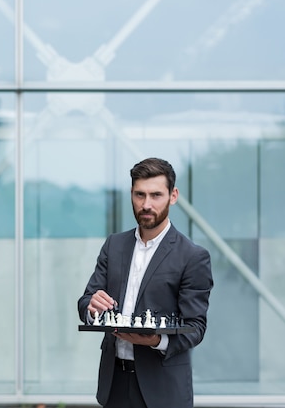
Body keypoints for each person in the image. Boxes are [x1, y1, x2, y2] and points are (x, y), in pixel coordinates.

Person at [77, 157, 213, 408]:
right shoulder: (114, 245)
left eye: (155, 195)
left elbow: (195, 328)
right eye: (140, 195)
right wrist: (91, 306)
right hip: (114, 383)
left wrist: (155, 341)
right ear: (131, 194)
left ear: (173, 196)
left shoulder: (193, 256)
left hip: (162, 389)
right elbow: (86, 301)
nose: (146, 204)